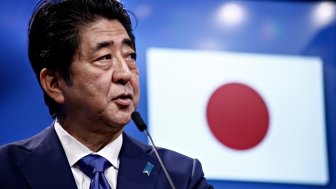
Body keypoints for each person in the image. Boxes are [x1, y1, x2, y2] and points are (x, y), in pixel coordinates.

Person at [0, 0, 213, 188]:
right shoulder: (6, 170)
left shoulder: (180, 177)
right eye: (104, 57)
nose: (125, 73)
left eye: (130, 56)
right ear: (54, 84)